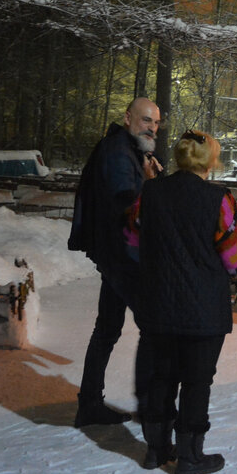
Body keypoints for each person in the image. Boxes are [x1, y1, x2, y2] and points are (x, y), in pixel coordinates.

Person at [134, 129, 237, 474]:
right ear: (209, 161)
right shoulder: (220, 199)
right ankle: (189, 456)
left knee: (161, 377)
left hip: (158, 304)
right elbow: (236, 257)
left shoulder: (149, 192)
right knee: (197, 381)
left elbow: (131, 236)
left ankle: (156, 449)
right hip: (203, 309)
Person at [68, 97, 162, 427]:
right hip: (122, 257)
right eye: (146, 120)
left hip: (115, 255)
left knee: (107, 328)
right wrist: (151, 185)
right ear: (128, 118)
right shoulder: (118, 152)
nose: (152, 127)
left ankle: (90, 403)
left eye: (155, 123)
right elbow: (127, 204)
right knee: (155, 327)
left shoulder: (127, 150)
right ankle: (150, 407)